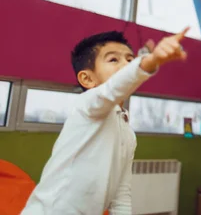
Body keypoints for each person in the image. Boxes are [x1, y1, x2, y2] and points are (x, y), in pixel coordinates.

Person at [22, 29, 188, 214]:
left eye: (130, 59)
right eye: (113, 60)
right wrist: (149, 62)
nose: (126, 64)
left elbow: (121, 195)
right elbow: (109, 91)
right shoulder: (87, 107)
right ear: (87, 78)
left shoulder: (127, 133)